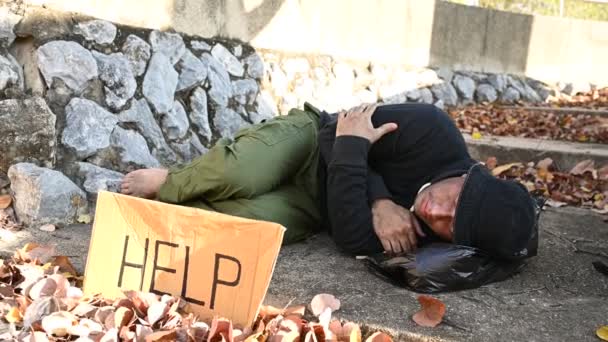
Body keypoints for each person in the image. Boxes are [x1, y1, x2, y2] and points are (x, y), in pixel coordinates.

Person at [121, 102, 538, 260]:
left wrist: (356, 153)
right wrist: (378, 200)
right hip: (306, 142)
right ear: (469, 175)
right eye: (455, 198)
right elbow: (335, 131)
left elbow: (352, 240)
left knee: (244, 228)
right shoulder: (432, 131)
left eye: (451, 224)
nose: (437, 211)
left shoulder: (428, 239)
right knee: (242, 173)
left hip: (316, 204)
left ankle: (159, 214)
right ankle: (172, 181)